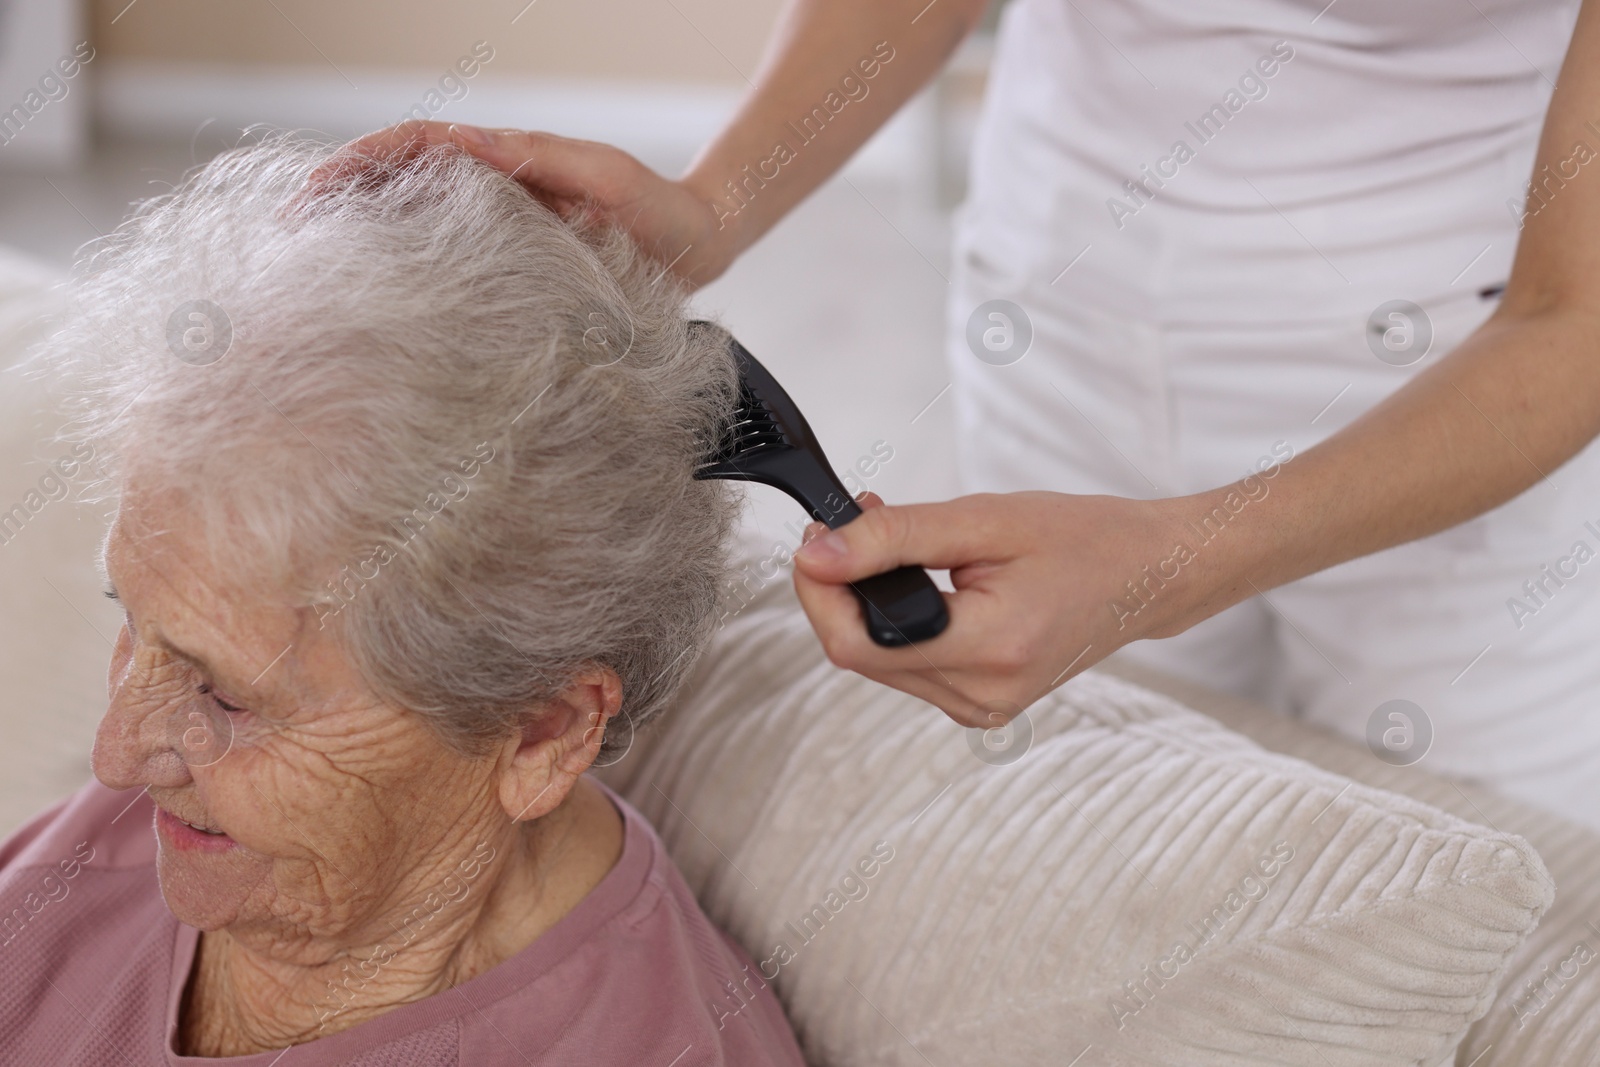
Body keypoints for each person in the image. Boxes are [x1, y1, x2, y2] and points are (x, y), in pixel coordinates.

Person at [334, 0, 1600, 828]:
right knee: (1133, 822)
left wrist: (1162, 564)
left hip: (1450, 397)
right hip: (1056, 296)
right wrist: (711, 207)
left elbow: (1572, 320)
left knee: (1484, 873)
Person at [0, 138, 804, 1064]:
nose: (116, 758)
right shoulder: (170, 833)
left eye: (227, 697)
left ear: (545, 731)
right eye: (134, 625)